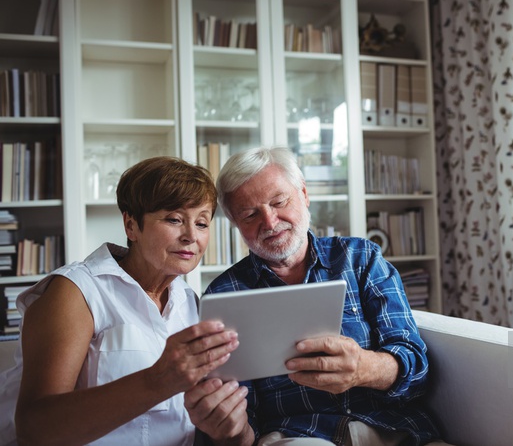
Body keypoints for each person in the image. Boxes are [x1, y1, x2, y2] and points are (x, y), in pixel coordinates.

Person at [185, 147, 448, 446]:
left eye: (279, 202)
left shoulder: (361, 258)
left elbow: (417, 369)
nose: (270, 222)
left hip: (397, 431)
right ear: (235, 224)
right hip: (300, 436)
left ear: (304, 195)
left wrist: (365, 367)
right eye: (250, 214)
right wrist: (231, 431)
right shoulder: (224, 295)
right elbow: (246, 429)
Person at [0, 157, 248, 446]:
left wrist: (228, 427)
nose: (191, 236)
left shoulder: (191, 303)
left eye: (202, 223)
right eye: (174, 219)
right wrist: (156, 381)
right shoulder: (75, 292)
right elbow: (34, 430)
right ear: (131, 226)